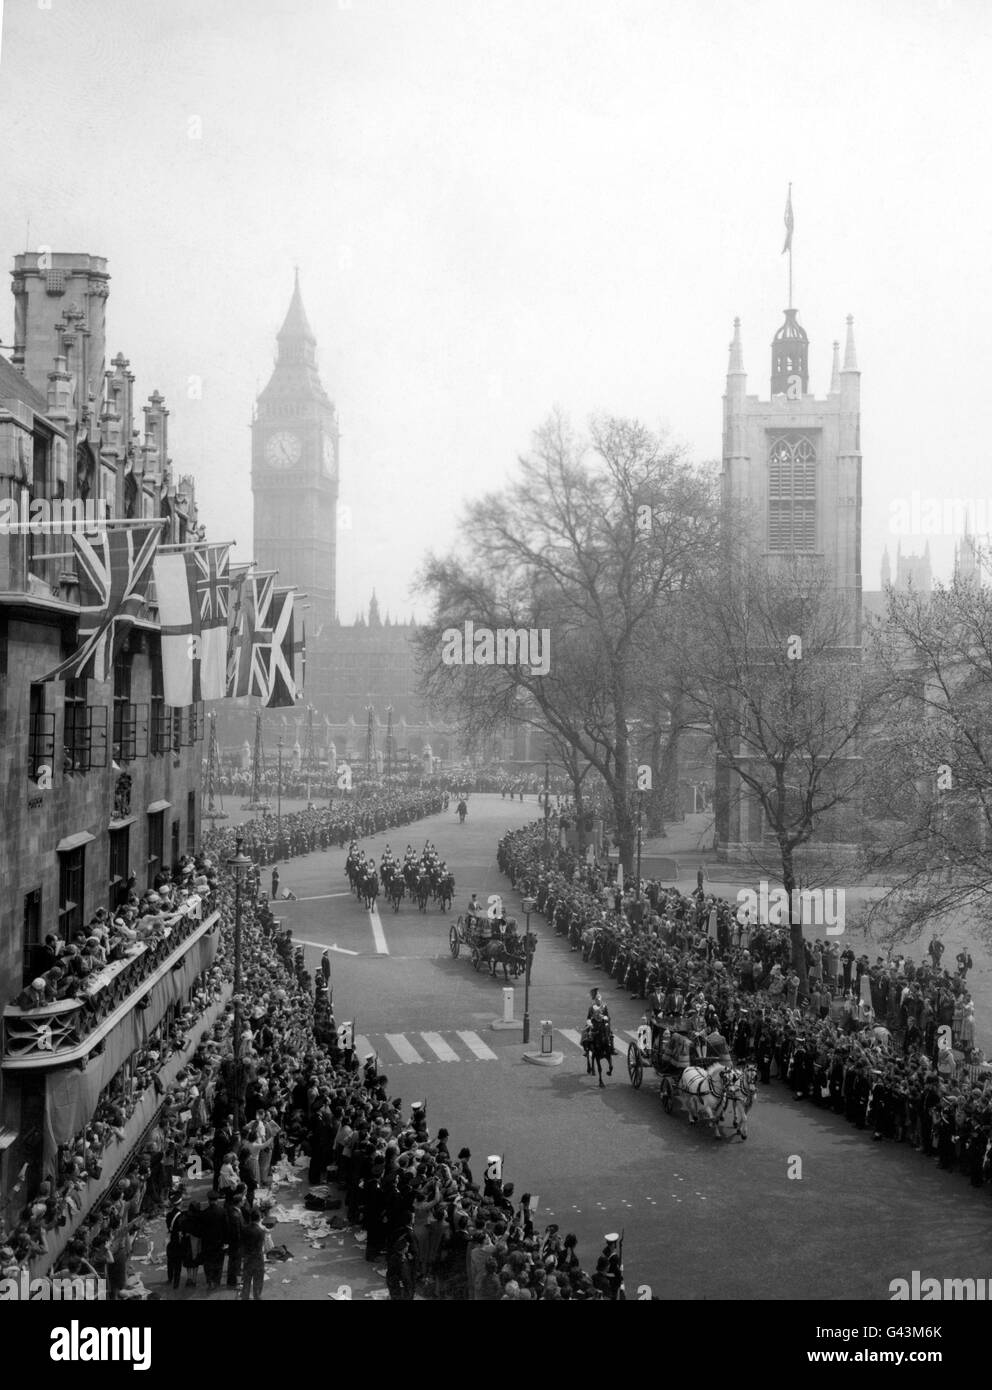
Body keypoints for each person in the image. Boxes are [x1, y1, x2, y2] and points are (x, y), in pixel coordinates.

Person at [239, 1209, 267, 1301]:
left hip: (247, 1258)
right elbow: (262, 1246)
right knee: (258, 1280)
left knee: (246, 1280)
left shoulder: (244, 1229)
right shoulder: (261, 1231)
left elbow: (242, 1243)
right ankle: (257, 1297)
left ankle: (245, 1296)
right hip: (258, 1258)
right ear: (259, 1218)